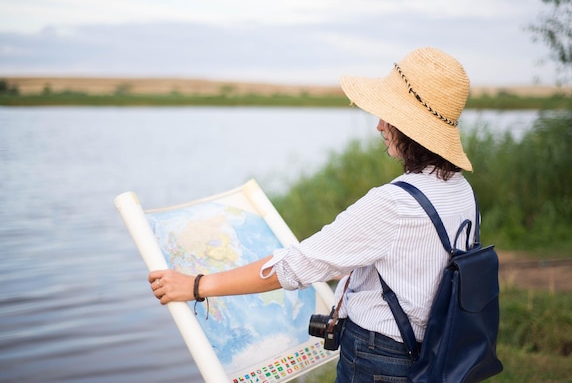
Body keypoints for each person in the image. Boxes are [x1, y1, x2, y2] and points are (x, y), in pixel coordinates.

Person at [148, 46, 476, 382]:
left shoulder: (393, 204)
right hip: (432, 352)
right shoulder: (459, 189)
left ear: (410, 128)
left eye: (388, 116)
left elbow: (292, 267)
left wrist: (197, 285)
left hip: (381, 360)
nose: (379, 125)